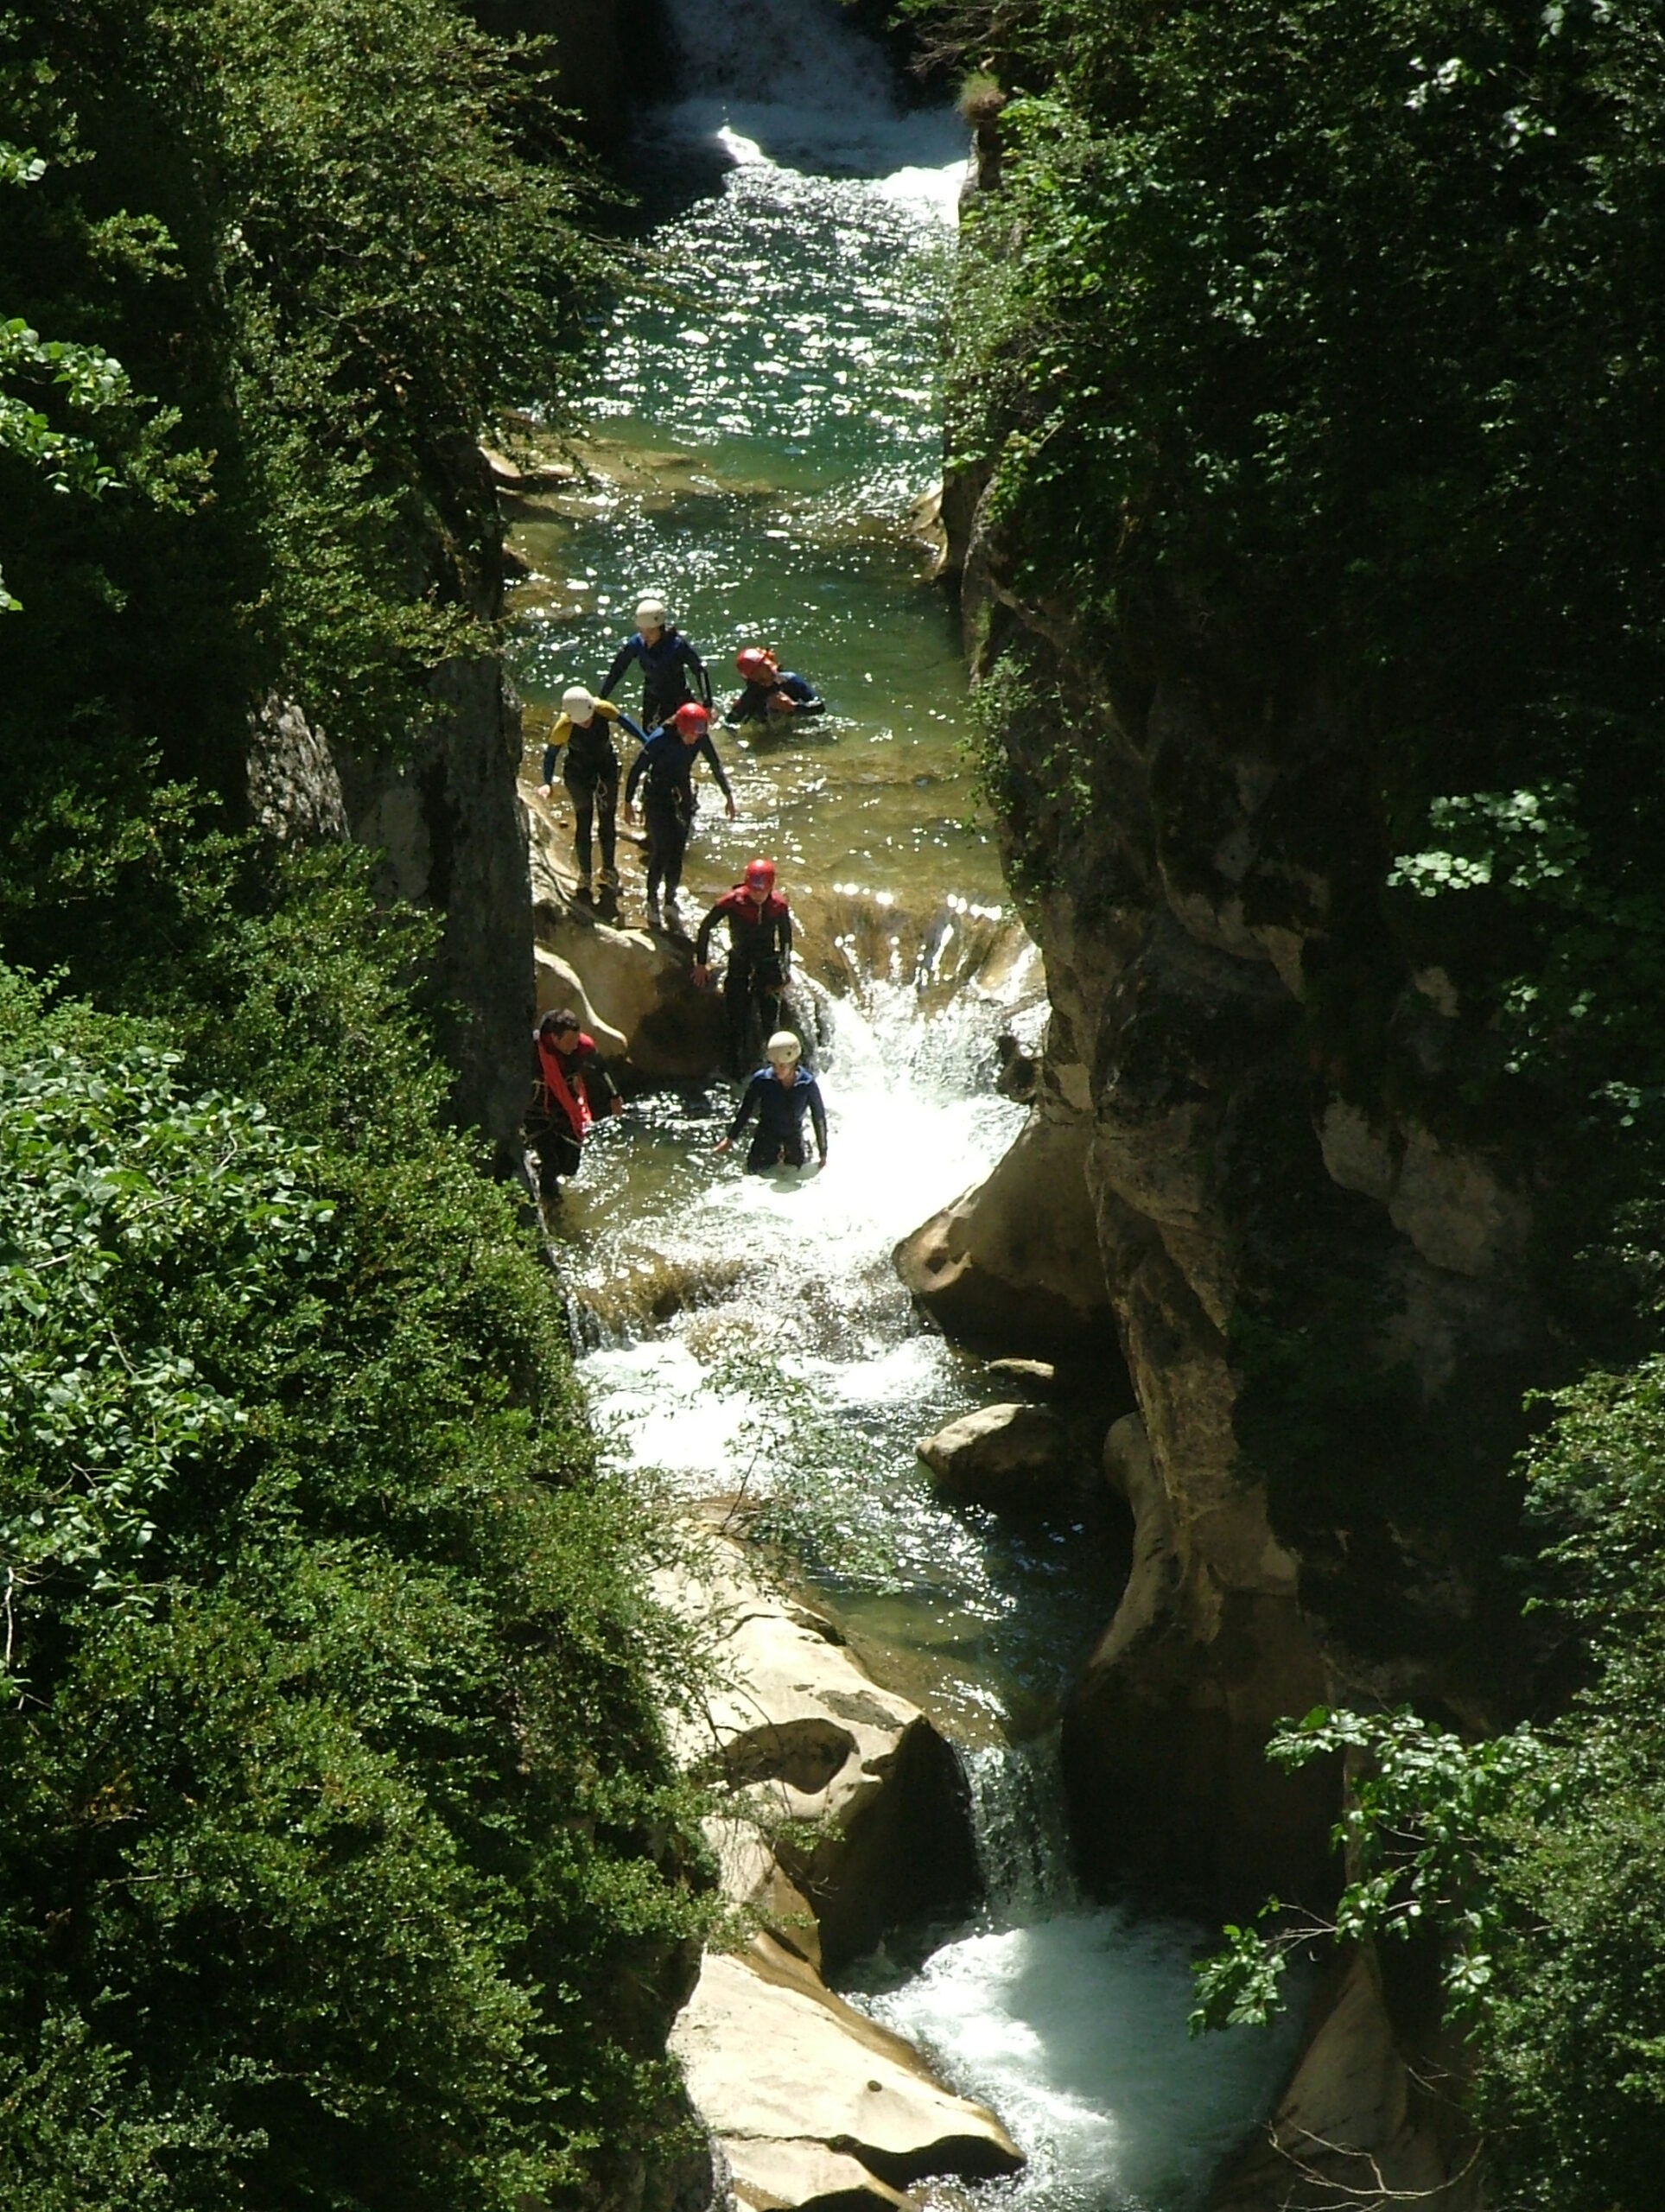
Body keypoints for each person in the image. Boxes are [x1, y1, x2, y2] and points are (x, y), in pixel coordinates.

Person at [624, 700, 736, 917]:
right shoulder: (659, 740)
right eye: (691, 735)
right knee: (661, 849)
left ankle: (670, 899)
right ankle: (651, 900)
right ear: (680, 728)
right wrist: (628, 802)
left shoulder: (699, 736)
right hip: (657, 796)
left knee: (677, 851)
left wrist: (728, 795)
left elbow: (715, 764)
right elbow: (637, 769)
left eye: (698, 736)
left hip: (682, 795)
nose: (694, 740)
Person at [536, 685, 645, 896]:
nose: (586, 723)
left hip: (605, 768)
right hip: (578, 774)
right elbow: (551, 755)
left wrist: (648, 743)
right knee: (583, 821)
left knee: (607, 820)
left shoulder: (603, 709)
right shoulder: (563, 726)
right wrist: (547, 782)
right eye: (581, 721)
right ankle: (584, 874)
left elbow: (628, 725)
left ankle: (609, 870)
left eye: (588, 719)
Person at [693, 856, 796, 1074]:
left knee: (770, 1020)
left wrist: (785, 971)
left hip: (767, 965)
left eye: (763, 891)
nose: (758, 895)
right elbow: (705, 928)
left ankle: (773, 1068)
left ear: (771, 887)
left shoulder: (778, 906)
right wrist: (701, 963)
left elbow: (786, 940)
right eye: (754, 890)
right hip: (740, 962)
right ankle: (735, 1069)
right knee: (736, 1019)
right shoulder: (732, 902)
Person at [525, 1008, 621, 1198]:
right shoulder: (532, 1049)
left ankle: (540, 1167)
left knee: (570, 1168)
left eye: (576, 1040)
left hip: (565, 1109)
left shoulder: (582, 1048)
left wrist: (614, 1096)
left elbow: (602, 1069)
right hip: (535, 1111)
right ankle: (551, 1205)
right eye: (570, 1041)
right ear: (554, 1037)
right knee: (551, 1165)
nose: (574, 1045)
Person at [716, 1030, 828, 1173]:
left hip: (793, 1137)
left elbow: (818, 1116)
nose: (777, 1070)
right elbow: (746, 1110)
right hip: (766, 1136)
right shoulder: (762, 1080)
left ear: (793, 1062)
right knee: (754, 1174)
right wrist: (730, 1139)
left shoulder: (807, 1084)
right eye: (774, 1065)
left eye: (783, 1065)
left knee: (796, 1177)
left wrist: (823, 1153)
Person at [600, 596, 713, 728]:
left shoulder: (677, 646)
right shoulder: (637, 643)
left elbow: (699, 671)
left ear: (661, 628)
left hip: (679, 698)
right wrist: (602, 697)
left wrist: (707, 704)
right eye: (642, 631)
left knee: (698, 734)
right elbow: (617, 669)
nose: (646, 637)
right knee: (651, 741)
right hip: (653, 700)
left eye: (650, 632)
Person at [725, 646, 824, 726]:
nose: (769, 673)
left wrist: (793, 707)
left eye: (768, 668)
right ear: (752, 679)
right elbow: (730, 721)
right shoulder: (752, 696)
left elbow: (819, 707)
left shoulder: (791, 680)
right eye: (759, 674)